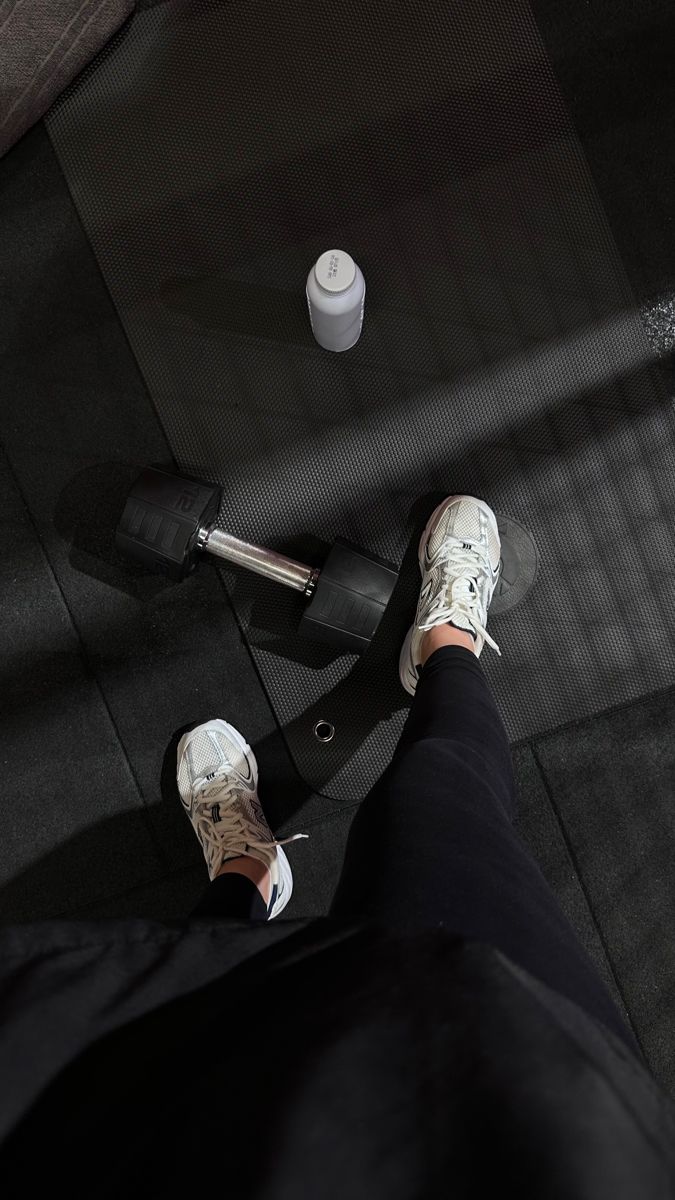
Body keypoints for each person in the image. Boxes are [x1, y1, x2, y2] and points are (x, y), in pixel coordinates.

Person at [1, 496, 674, 1197]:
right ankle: (445, 645)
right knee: (443, 804)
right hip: (523, 1107)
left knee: (192, 1017)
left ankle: (250, 870)